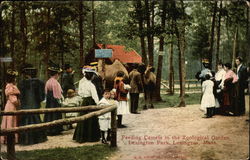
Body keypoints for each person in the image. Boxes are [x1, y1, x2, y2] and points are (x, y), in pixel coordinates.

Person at [18, 64, 47, 145]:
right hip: (33, 105)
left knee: (26, 121)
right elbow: (41, 96)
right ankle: (37, 138)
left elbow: (20, 96)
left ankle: (26, 140)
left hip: (25, 106)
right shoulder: (38, 82)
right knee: (35, 120)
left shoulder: (21, 83)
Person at [73, 66, 100, 143]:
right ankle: (90, 137)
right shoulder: (91, 85)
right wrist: (98, 104)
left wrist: (84, 96)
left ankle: (81, 136)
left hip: (84, 101)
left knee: (83, 118)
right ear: (91, 76)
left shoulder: (82, 83)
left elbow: (79, 93)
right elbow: (95, 96)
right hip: (90, 101)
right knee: (91, 119)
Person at [44, 63, 64, 136]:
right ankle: (55, 129)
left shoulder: (48, 81)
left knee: (49, 114)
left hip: (49, 100)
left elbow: (46, 92)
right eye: (58, 74)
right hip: (54, 100)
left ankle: (49, 128)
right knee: (55, 114)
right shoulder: (55, 82)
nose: (58, 76)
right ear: (56, 74)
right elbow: (57, 94)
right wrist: (59, 101)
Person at [1, 69, 20, 144]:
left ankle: (8, 138)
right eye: (15, 77)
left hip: (8, 105)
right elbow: (13, 100)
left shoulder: (9, 86)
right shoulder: (11, 87)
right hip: (11, 106)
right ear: (13, 78)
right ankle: (10, 139)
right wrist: (17, 103)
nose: (15, 79)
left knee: (9, 120)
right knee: (10, 121)